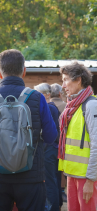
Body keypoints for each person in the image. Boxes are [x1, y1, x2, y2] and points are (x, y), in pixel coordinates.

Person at [0, 49, 58, 211]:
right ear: (24, 71)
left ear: (0, 73)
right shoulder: (37, 97)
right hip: (31, 177)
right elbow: (50, 136)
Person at [58, 61, 97, 211]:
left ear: (78, 80)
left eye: (66, 80)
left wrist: (90, 181)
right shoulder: (72, 106)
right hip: (72, 174)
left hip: (86, 177)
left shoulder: (91, 105)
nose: (63, 85)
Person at [34, 83, 60, 211]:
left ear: (47, 94)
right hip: (52, 148)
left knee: (49, 182)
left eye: (38, 92)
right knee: (52, 180)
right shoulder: (53, 107)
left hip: (48, 148)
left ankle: (53, 208)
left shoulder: (49, 107)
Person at [50, 83, 68, 203]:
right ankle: (61, 194)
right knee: (60, 172)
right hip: (63, 145)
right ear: (60, 94)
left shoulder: (46, 106)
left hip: (50, 146)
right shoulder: (66, 106)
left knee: (52, 176)